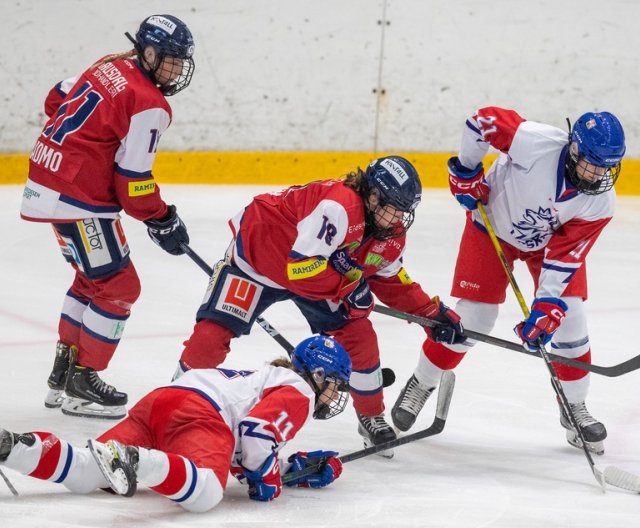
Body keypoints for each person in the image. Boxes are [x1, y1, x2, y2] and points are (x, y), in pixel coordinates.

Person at [177, 155, 465, 455]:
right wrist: (347, 290)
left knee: (359, 337)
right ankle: (178, 401)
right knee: (211, 335)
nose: (397, 221)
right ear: (374, 196)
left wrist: (430, 314)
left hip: (319, 273)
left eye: (403, 213)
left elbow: (389, 279)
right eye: (393, 210)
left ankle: (370, 415)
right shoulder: (339, 207)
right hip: (258, 261)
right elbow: (300, 269)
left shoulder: (388, 233)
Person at [391, 107, 625, 456]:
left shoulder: (600, 203)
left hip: (546, 245)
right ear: (573, 148)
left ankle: (574, 407)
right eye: (591, 162)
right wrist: (467, 169)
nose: (597, 175)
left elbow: (565, 255)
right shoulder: (534, 141)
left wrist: (546, 306)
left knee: (570, 318)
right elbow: (479, 121)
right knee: (473, 319)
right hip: (492, 226)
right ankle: (421, 382)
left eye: (606, 167)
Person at [20, 14, 194, 419]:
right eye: (171, 60)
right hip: (76, 197)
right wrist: (162, 217)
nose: (177, 70)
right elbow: (133, 184)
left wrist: (86, 147)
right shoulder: (150, 104)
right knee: (119, 285)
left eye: (182, 62)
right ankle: (84, 382)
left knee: (90, 280)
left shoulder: (109, 64)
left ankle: (62, 374)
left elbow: (56, 97)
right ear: (148, 53)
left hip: (50, 183)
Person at [0, 335, 350, 512]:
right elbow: (255, 431)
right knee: (207, 493)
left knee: (88, 472)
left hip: (162, 401)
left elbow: (247, 448)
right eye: (334, 384)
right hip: (199, 412)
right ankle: (138, 459)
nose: (335, 395)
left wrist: (295, 468)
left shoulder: (269, 378)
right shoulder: (301, 391)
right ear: (317, 374)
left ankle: (13, 447)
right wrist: (269, 480)